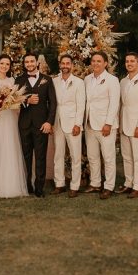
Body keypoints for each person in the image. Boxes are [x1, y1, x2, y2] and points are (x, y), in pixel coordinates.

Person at [0, 54, 29, 198]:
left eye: (7, 64)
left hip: (7, 118)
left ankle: (9, 185)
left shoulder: (12, 80)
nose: (4, 66)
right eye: (2, 63)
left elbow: (14, 102)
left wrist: (5, 106)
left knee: (8, 149)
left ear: (10, 67)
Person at [14, 52, 57, 198]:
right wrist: (26, 101)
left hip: (41, 124)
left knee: (40, 156)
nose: (30, 64)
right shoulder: (18, 80)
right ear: (24, 64)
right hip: (24, 124)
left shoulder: (47, 80)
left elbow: (53, 103)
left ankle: (40, 187)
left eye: (32, 61)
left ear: (36, 63)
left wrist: (49, 122)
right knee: (25, 156)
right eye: (27, 62)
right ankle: (27, 186)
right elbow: (13, 101)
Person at [83, 52, 120, 199]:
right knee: (92, 156)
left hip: (105, 125)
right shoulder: (87, 79)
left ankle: (109, 186)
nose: (96, 63)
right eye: (93, 61)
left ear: (105, 63)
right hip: (89, 124)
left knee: (108, 157)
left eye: (99, 61)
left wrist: (109, 123)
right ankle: (95, 183)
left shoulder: (112, 80)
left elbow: (114, 103)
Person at [116, 52, 138, 198]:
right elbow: (121, 105)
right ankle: (128, 183)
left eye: (132, 61)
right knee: (126, 156)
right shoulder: (123, 81)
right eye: (127, 61)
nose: (129, 63)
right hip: (125, 124)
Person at [51, 54, 86, 197]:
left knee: (75, 156)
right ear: (60, 65)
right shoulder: (53, 81)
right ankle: (59, 184)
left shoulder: (78, 82)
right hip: (57, 123)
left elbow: (81, 105)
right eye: (63, 63)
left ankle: (75, 186)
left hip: (73, 124)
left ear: (72, 65)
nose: (65, 66)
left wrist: (78, 124)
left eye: (68, 63)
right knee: (58, 155)